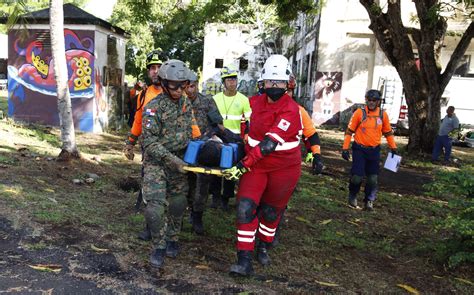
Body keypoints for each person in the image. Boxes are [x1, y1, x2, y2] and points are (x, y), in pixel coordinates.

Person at [222, 55, 303, 276]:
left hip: (284, 168)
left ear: (288, 84)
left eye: (278, 82)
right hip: (256, 166)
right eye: (270, 82)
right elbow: (240, 126)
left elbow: (268, 144)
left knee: (270, 212)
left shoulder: (291, 110)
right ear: (263, 83)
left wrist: (242, 164)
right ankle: (244, 260)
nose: (274, 86)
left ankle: (264, 245)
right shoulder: (252, 103)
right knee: (245, 208)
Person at [141, 59, 198, 268]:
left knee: (178, 202)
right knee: (155, 209)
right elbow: (149, 142)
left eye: (183, 85)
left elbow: (187, 133)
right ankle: (159, 245)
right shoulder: (153, 108)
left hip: (180, 162)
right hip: (158, 163)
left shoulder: (185, 103)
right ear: (164, 83)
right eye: (175, 86)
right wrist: (171, 160)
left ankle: (173, 238)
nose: (179, 90)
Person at [341, 89, 397, 211]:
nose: (371, 102)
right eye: (369, 100)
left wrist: (393, 147)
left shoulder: (383, 115)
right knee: (357, 177)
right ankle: (353, 194)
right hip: (359, 149)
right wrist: (345, 148)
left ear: (378, 102)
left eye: (374, 100)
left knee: (373, 179)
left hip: (374, 150)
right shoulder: (359, 113)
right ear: (366, 100)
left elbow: (388, 132)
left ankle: (369, 200)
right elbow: (349, 131)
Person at [184, 70, 224, 234]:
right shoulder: (178, 102)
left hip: (203, 151)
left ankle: (197, 217)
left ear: (197, 85)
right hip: (183, 149)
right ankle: (182, 214)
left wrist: (213, 136)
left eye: (192, 86)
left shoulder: (207, 102)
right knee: (184, 185)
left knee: (202, 187)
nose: (190, 90)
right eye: (186, 87)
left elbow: (219, 125)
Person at [212, 65, 251, 210]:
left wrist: (245, 139)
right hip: (218, 137)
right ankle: (215, 196)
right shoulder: (215, 98)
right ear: (223, 82)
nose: (232, 82)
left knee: (230, 169)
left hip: (235, 140)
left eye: (234, 79)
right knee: (215, 168)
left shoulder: (243, 99)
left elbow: (249, 121)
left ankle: (225, 199)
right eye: (229, 80)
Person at [123, 50, 164, 160]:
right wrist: (130, 143)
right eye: (152, 68)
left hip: (172, 150)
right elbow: (138, 120)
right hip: (149, 150)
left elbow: (190, 120)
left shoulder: (176, 94)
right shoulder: (143, 95)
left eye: (159, 67)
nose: (156, 71)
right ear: (148, 72)